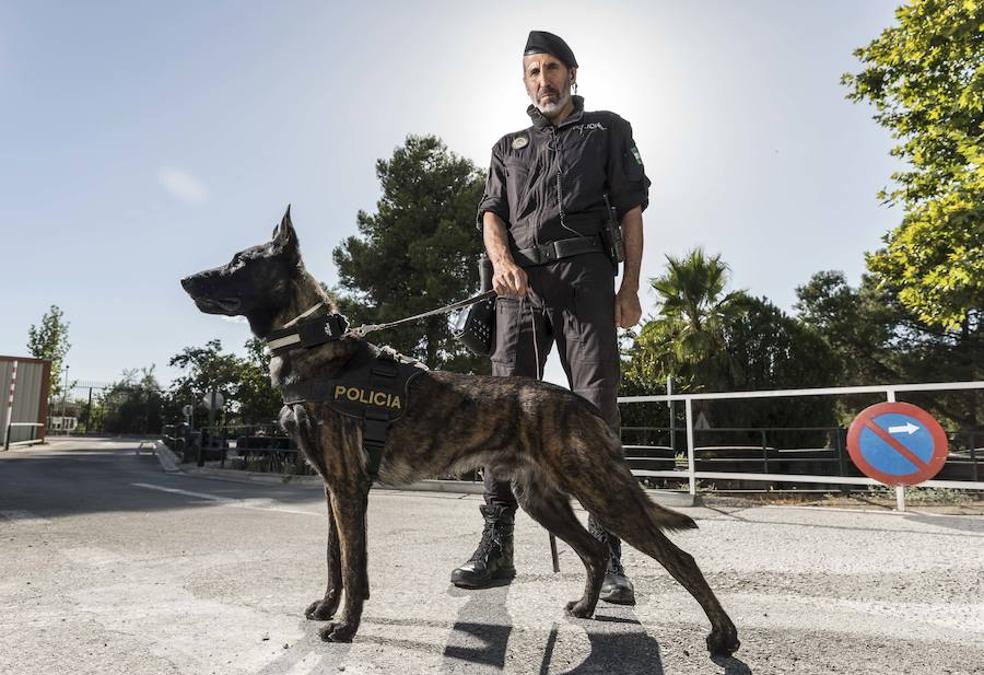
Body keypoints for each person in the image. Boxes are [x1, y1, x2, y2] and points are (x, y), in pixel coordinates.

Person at [450, 30, 651, 605]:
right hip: (518, 284)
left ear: (573, 72)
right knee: (496, 412)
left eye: (553, 68)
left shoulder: (607, 129)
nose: (544, 80)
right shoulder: (507, 146)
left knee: (596, 406)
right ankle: (497, 545)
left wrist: (629, 287)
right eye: (534, 72)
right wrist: (501, 260)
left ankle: (607, 553)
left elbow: (631, 211)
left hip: (586, 275)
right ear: (525, 81)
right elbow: (491, 215)